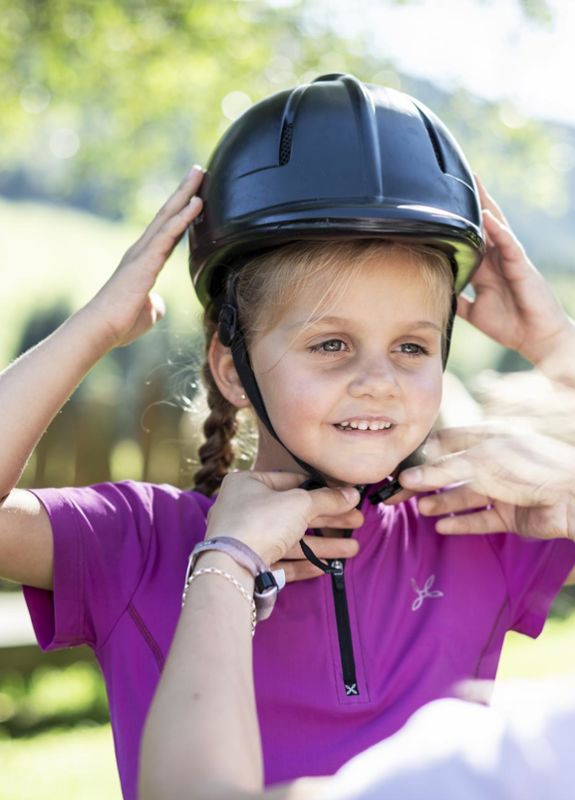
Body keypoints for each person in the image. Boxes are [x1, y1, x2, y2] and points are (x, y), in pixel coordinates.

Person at [1, 74, 573, 800]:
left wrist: (554, 340)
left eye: (411, 346)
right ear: (231, 368)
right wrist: (97, 326)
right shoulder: (140, 543)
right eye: (330, 345)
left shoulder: (474, 527)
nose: (379, 381)